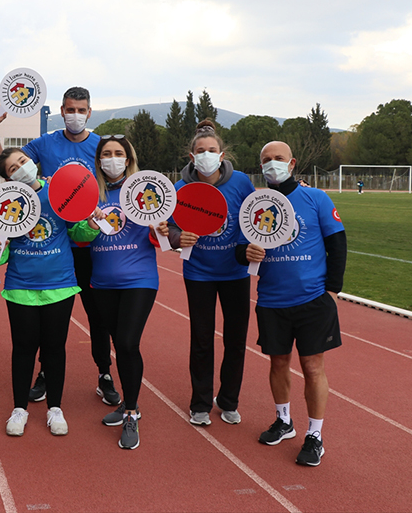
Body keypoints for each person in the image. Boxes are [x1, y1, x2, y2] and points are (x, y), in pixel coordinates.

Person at [0, 86, 121, 407]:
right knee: (48, 319)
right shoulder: (45, 144)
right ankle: (44, 373)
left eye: (81, 110)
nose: (75, 115)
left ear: (89, 112)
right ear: (62, 110)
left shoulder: (100, 145)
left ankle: (104, 372)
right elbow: (5, 163)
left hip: (88, 242)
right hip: (55, 243)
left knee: (98, 316)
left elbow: (117, 176)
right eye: (70, 109)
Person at [237, 141, 347, 467]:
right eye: (267, 160)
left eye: (279, 159)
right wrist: (246, 253)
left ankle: (315, 435)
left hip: (313, 299)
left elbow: (337, 244)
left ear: (292, 163)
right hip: (272, 300)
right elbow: (239, 250)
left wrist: (332, 292)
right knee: (278, 364)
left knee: (313, 368)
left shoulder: (315, 198)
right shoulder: (253, 204)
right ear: (261, 167)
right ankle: (284, 421)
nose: (273, 164)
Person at [0, 148, 101, 437]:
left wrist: (89, 226)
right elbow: (1, 256)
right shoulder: (7, 205)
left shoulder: (59, 192)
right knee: (23, 349)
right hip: (21, 288)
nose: (21, 168)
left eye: (23, 161)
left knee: (54, 349)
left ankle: (55, 408)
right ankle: (19, 409)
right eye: (13, 168)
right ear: (6, 178)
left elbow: (77, 233)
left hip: (60, 285)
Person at [165, 121, 255, 427]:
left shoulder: (241, 182)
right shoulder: (180, 189)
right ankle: (200, 402)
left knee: (235, 339)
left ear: (222, 153)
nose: (206, 155)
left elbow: (254, 217)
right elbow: (168, 231)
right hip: (199, 273)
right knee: (202, 339)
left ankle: (229, 400)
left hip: (236, 273)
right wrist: (179, 238)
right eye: (201, 151)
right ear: (192, 156)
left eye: (212, 150)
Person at [90, 135, 165, 450]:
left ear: (129, 158)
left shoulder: (143, 191)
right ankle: (126, 401)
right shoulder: (91, 194)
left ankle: (132, 412)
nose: (112, 158)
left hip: (139, 279)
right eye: (106, 153)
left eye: (118, 153)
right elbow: (79, 236)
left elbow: (168, 235)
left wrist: (161, 229)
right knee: (116, 344)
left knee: (127, 342)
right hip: (102, 281)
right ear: (98, 160)